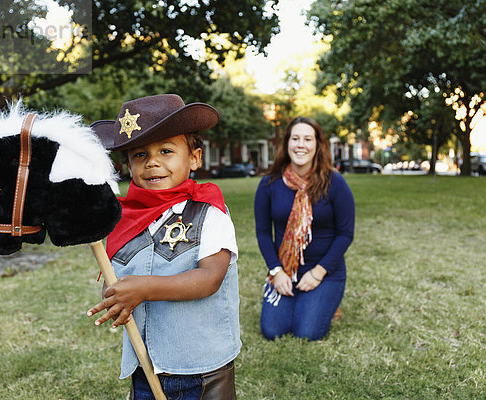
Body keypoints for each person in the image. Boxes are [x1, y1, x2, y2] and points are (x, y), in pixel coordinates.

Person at [87, 94, 240, 399]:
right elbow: (119, 278)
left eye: (166, 151)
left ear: (194, 157)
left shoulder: (209, 211)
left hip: (200, 371)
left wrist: (143, 289)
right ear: (128, 164)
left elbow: (209, 278)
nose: (153, 162)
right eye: (140, 154)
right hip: (146, 365)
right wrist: (117, 295)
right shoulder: (122, 218)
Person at [254, 116, 355, 341]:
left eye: (308, 139)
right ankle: (303, 301)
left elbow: (345, 233)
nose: (301, 145)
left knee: (306, 333)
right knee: (273, 331)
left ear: (318, 145)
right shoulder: (269, 184)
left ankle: (326, 302)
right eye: (295, 138)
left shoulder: (334, 183)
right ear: (287, 143)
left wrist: (319, 272)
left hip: (325, 272)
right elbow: (263, 233)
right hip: (286, 270)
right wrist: (276, 272)